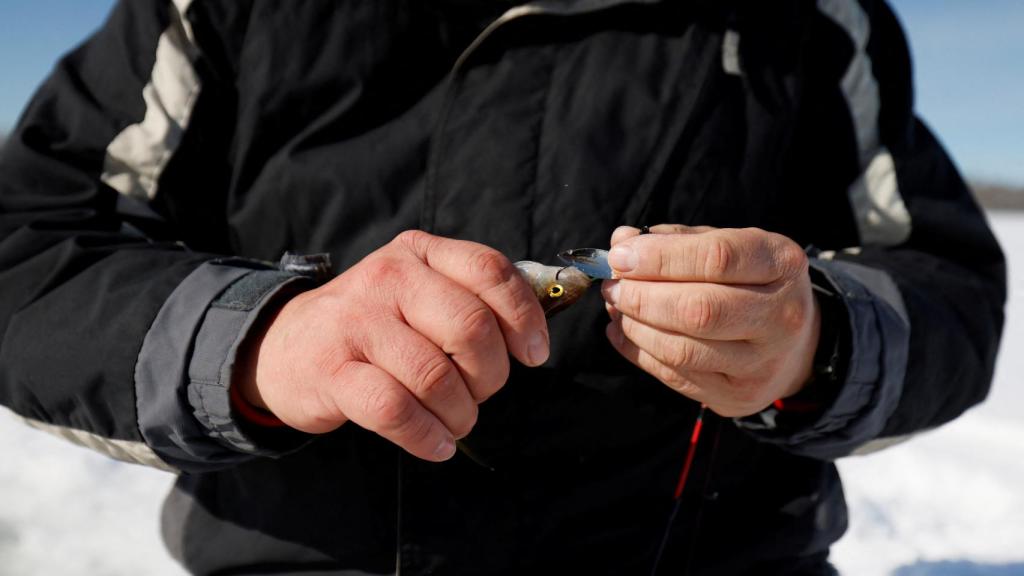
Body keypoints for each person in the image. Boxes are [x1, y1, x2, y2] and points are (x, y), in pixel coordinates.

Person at [0, 0, 1005, 574]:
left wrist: (812, 342)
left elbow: (945, 284)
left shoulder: (812, 19)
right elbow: (25, 249)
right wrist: (263, 345)